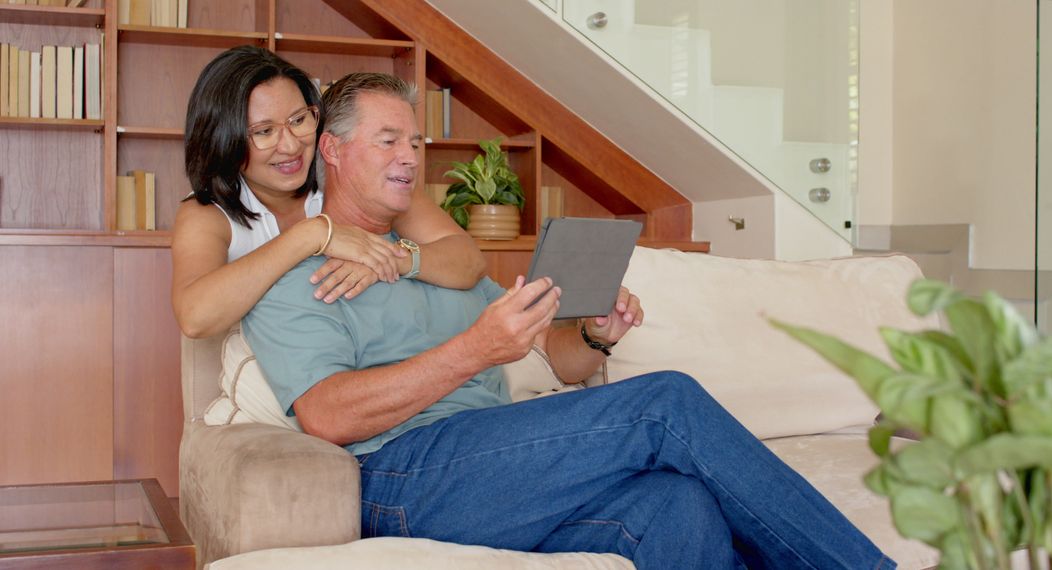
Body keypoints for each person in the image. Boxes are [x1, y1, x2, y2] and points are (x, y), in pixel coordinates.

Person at [242, 72, 896, 570]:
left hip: (497, 461)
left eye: (415, 141)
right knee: (664, 403)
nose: (410, 157)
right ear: (331, 148)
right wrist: (474, 350)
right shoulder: (296, 273)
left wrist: (592, 334)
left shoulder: (441, 264)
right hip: (402, 476)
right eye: (388, 141)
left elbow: (558, 360)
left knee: (678, 507)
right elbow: (324, 415)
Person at [171, 46, 485, 339]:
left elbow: (468, 260)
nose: (292, 146)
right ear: (224, 138)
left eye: (299, 120)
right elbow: (195, 317)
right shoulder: (206, 214)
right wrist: (313, 235)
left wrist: (390, 259)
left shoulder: (355, 178)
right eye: (264, 132)